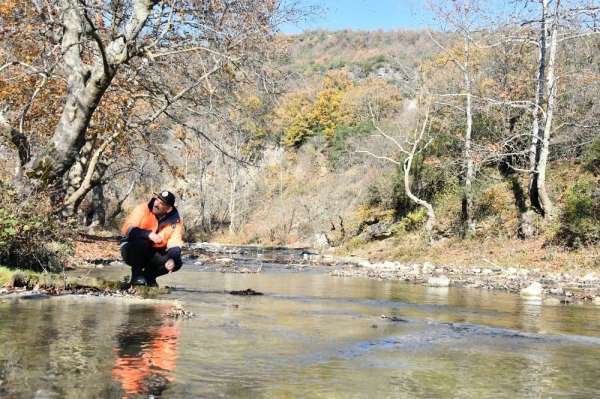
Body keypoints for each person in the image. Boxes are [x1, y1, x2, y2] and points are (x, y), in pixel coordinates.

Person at [120, 190, 184, 287]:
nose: (156, 204)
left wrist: (172, 259)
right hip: (131, 249)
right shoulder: (142, 208)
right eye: (157, 199)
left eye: (161, 203)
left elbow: (175, 242)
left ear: (169, 209)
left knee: (177, 261)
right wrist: (147, 234)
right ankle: (136, 277)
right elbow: (127, 229)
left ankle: (148, 277)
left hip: (153, 253)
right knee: (142, 242)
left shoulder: (176, 221)